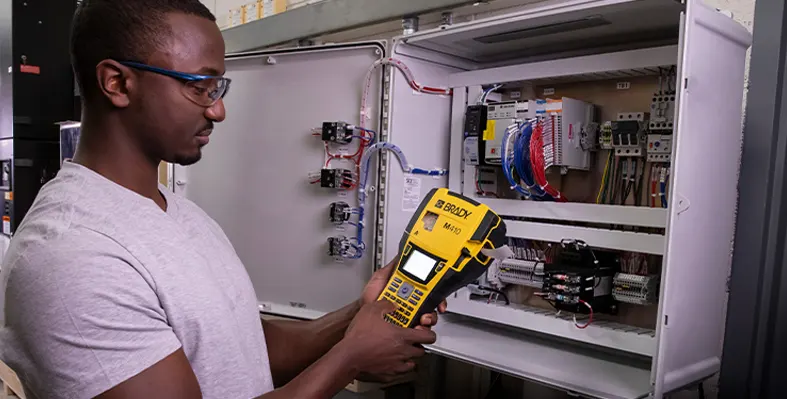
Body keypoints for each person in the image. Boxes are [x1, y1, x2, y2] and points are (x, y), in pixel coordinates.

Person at [0, 1, 446, 398]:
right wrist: (349, 358)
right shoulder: (70, 254)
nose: (217, 109)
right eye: (199, 86)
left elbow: (249, 349)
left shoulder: (179, 213)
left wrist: (361, 313)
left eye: (219, 88)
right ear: (117, 82)